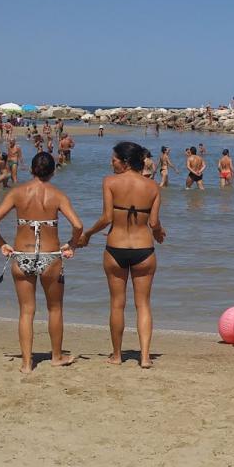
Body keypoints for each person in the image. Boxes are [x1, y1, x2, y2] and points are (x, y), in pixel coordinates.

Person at [0, 152, 84, 373]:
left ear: (30, 169)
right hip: (50, 258)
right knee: (55, 308)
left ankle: (26, 362)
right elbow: (78, 226)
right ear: (53, 171)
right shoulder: (57, 195)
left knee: (26, 311)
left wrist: (2, 243)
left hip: (21, 255)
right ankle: (56, 356)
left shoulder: (17, 193)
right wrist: (72, 245)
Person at [80, 142, 165, 369]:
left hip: (115, 248)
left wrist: (88, 233)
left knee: (117, 304)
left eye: (114, 159)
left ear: (125, 162)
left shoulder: (109, 182)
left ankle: (117, 355)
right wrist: (159, 232)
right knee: (143, 304)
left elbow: (107, 218)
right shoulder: (153, 186)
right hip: (144, 250)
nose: (112, 162)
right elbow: (154, 223)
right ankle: (145, 357)